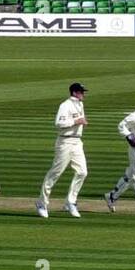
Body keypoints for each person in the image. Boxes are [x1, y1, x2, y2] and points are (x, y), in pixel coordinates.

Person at [36, 83, 89, 219]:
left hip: (77, 142)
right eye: (81, 92)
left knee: (82, 171)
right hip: (65, 142)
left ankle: (70, 201)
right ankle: (42, 203)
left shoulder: (80, 105)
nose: (84, 94)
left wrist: (79, 122)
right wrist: (77, 121)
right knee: (55, 173)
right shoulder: (65, 105)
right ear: (75, 93)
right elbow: (59, 123)